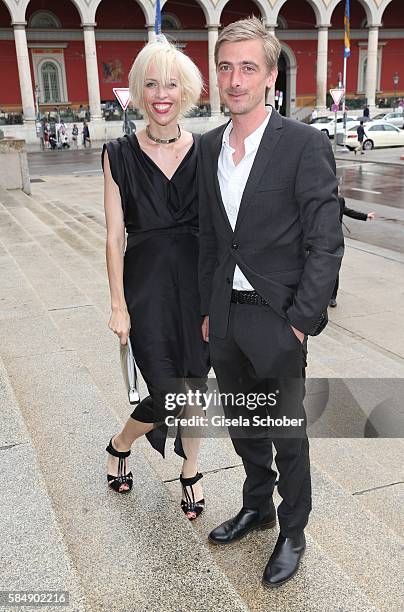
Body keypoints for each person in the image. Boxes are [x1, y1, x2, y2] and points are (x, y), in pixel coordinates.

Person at [198, 17, 343, 587]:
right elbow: (212, 240)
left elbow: (325, 241)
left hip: (279, 320)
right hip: (227, 320)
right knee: (243, 426)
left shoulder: (305, 144)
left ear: (270, 75)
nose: (235, 79)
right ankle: (257, 506)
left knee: (287, 431)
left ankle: (293, 530)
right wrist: (210, 310)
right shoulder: (210, 146)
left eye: (247, 67)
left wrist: (301, 323)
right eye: (226, 67)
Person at [102, 39, 209, 520]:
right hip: (146, 291)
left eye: (171, 83)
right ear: (139, 92)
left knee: (195, 390)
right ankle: (121, 441)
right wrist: (118, 305)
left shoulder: (206, 150)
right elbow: (112, 236)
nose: (161, 93)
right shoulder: (119, 154)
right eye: (151, 84)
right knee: (170, 392)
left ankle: (190, 470)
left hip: (199, 291)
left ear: (185, 91)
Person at [329, 189, 375, 307]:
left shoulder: (339, 201)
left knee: (334, 269)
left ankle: (332, 297)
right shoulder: (319, 200)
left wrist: (366, 216)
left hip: (335, 239)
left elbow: (349, 212)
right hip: (320, 239)